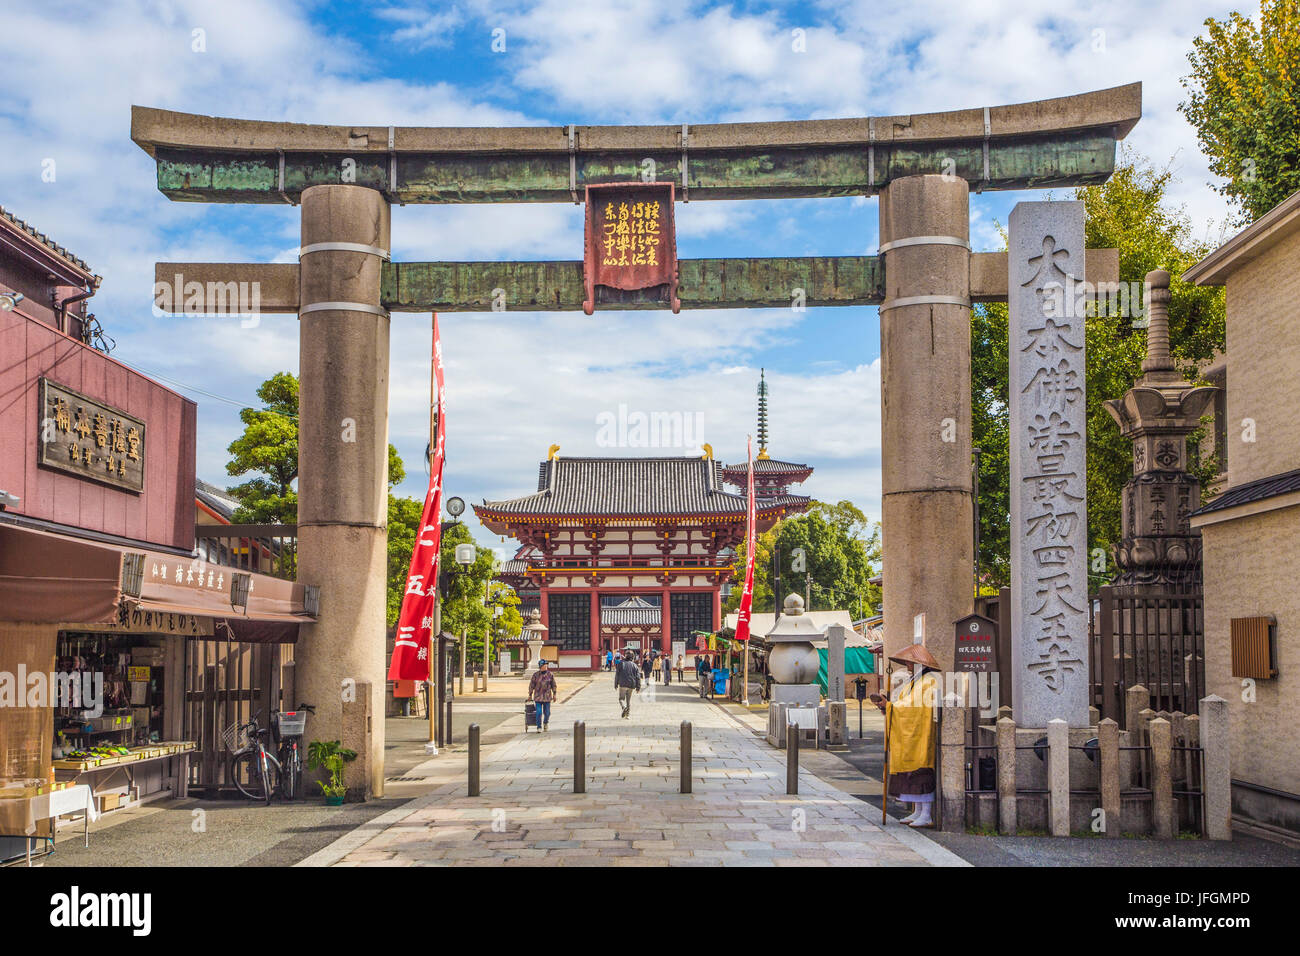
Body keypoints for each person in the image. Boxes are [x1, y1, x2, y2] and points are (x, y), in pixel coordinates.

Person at [870, 644, 940, 828]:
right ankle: (917, 811)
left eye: (910, 663)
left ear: (919, 664)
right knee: (912, 772)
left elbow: (915, 706)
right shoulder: (915, 681)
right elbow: (906, 703)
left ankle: (926, 814)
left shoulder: (929, 681)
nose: (908, 666)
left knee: (921, 770)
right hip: (912, 732)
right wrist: (889, 706)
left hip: (921, 733)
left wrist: (891, 707)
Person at [527, 659, 557, 732]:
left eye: (546, 665)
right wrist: (530, 694)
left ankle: (545, 723)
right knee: (539, 712)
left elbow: (554, 685)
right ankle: (539, 726)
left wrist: (554, 694)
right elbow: (531, 685)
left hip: (547, 697)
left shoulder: (550, 674)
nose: (546, 666)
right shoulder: (536, 675)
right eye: (544, 665)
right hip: (538, 697)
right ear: (540, 666)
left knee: (547, 713)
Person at [614, 649, 641, 719]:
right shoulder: (635, 665)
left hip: (623, 684)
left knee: (621, 699)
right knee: (628, 701)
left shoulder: (620, 663)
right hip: (631, 685)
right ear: (633, 657)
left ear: (625, 656)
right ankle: (627, 715)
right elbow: (638, 677)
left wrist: (616, 684)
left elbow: (617, 674)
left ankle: (624, 707)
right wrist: (638, 687)